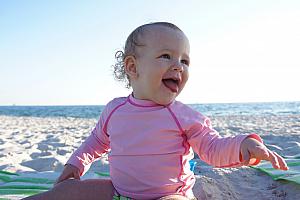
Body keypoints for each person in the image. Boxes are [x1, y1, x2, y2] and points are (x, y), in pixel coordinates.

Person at [23, 22, 288, 200]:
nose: (178, 66)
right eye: (166, 56)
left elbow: (212, 148)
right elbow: (96, 143)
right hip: (119, 191)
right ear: (132, 67)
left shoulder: (183, 116)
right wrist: (75, 165)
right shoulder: (115, 110)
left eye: (185, 60)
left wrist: (246, 145)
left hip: (171, 195)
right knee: (64, 192)